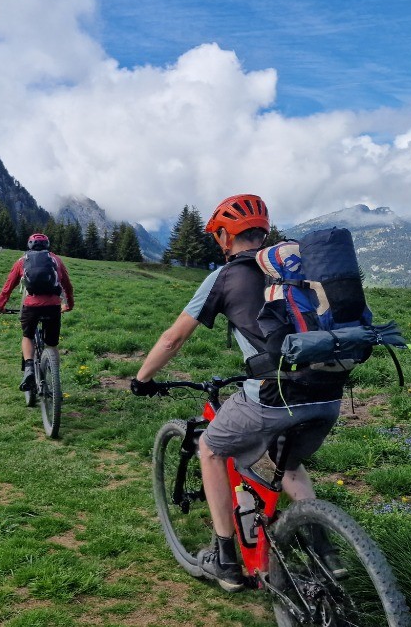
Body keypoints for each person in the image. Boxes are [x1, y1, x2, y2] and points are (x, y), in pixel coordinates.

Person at [130, 194, 344, 592]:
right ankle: (326, 550)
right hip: (330, 393)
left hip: (275, 394)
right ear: (263, 232)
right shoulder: (299, 267)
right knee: (288, 463)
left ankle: (225, 560)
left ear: (226, 237)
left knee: (210, 447)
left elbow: (174, 338)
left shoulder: (225, 276)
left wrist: (142, 377)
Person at [0, 233, 74, 392]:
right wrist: (69, 304)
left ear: (29, 245)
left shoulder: (22, 261)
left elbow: (8, 286)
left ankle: (29, 368)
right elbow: (67, 285)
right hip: (53, 306)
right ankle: (53, 376)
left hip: (31, 305)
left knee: (28, 336)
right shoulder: (56, 260)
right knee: (52, 344)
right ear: (47, 245)